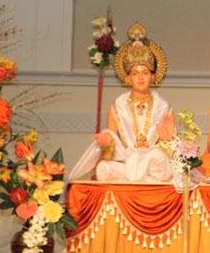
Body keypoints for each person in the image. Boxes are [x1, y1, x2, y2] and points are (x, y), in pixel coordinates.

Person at [68, 23, 174, 182]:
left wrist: (168, 141)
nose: (140, 77)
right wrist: (107, 141)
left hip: (153, 163)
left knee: (157, 156)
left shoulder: (163, 106)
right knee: (103, 168)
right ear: (128, 78)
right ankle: (142, 180)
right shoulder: (118, 106)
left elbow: (170, 146)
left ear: (153, 77)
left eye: (145, 72)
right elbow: (113, 141)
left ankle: (140, 179)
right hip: (127, 160)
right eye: (135, 73)